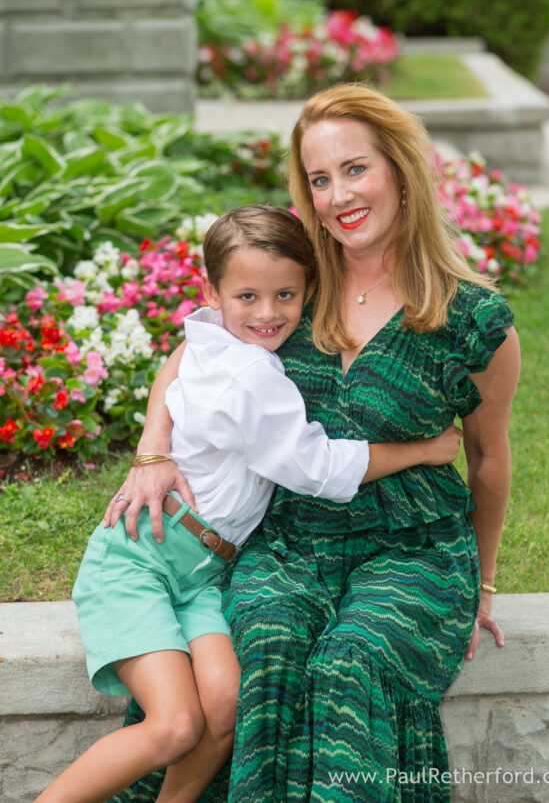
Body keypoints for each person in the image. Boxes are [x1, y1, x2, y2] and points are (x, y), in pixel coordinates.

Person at [106, 85, 520, 803]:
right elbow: (192, 352)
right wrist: (153, 449)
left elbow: (487, 461)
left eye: (355, 169)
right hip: (292, 536)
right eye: (320, 180)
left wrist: (482, 582)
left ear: (399, 169)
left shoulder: (472, 320)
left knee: (352, 660)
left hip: (414, 546)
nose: (338, 196)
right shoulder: (294, 285)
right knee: (262, 646)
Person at [36, 205, 462, 803]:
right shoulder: (249, 377)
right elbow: (316, 467)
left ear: (308, 290)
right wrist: (422, 449)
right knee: (176, 724)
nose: (267, 313)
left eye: (285, 294)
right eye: (248, 297)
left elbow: (182, 353)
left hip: (204, 570)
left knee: (228, 702)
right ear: (213, 292)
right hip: (139, 561)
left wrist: (153, 443)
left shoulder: (217, 336)